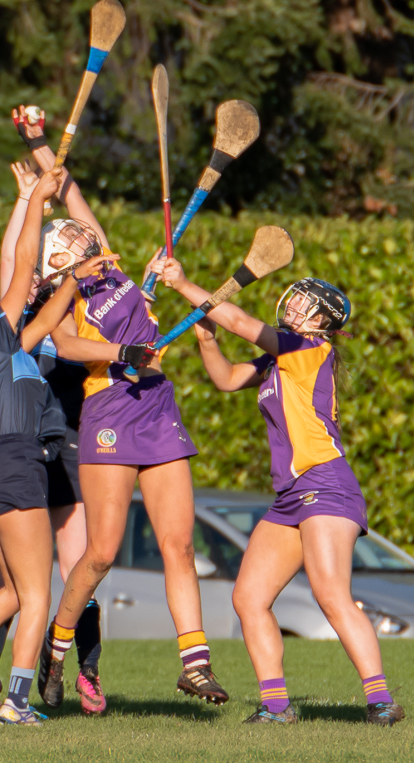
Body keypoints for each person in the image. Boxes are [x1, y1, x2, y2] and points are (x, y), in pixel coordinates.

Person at [15, 109, 229, 707]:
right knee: (102, 552)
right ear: (61, 261)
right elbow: (63, 346)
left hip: (156, 406)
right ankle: (55, 657)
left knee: (178, 545)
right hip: (108, 411)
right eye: (78, 244)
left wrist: (38, 143)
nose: (90, 241)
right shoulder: (66, 294)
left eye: (89, 239)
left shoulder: (115, 274)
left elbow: (72, 192)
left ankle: (195, 661)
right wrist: (121, 348)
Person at [153, 259, 404, 727]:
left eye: (307, 304)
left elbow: (242, 323)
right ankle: (276, 707)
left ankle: (381, 700)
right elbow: (226, 379)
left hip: (326, 483)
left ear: (324, 324)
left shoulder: (310, 348)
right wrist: (207, 338)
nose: (294, 306)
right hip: (291, 494)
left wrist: (184, 284)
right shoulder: (279, 359)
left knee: (331, 594)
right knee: (249, 598)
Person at [0, 168, 115, 725]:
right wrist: (33, 200)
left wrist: (78, 276)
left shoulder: (2, 349)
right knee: (36, 594)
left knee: (11, 589)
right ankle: (14, 702)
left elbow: (49, 318)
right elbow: (24, 261)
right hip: (13, 465)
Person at [0, 151, 106, 717]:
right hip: (24, 447)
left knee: (82, 569)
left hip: (70, 442)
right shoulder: (18, 312)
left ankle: (83, 673)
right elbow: (14, 255)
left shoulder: (81, 303)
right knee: (13, 579)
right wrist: (29, 199)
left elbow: (96, 245)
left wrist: (53, 179)